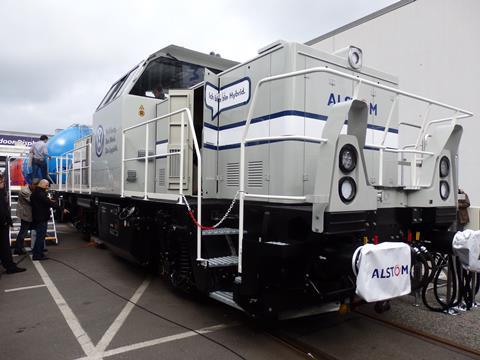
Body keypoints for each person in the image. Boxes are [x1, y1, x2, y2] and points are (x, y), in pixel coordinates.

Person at [0, 173, 26, 274]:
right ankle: (10, 267)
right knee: (5, 247)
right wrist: (5, 221)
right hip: (2, 225)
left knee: (4, 247)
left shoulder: (1, 192)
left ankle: (9, 265)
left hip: (3, 224)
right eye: (1, 181)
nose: (3, 183)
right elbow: (2, 210)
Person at [14, 179, 40, 255]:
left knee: (32, 230)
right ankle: (18, 249)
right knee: (23, 232)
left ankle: (35, 247)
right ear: (32, 184)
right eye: (35, 187)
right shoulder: (24, 191)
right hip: (26, 214)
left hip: (30, 213)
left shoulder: (32, 189)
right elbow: (33, 201)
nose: (36, 188)